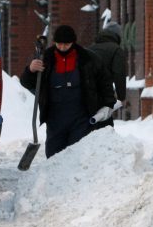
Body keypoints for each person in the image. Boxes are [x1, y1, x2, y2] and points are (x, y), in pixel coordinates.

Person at [21, 24, 116, 158]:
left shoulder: (87, 59)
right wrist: (30, 70)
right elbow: (27, 83)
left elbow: (104, 82)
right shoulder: (45, 59)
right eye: (59, 44)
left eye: (66, 45)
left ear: (73, 42)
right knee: (54, 156)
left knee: (78, 154)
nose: (62, 48)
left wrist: (108, 103)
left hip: (81, 117)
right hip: (55, 118)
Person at [87, 21, 126, 130]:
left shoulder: (90, 48)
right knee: (105, 122)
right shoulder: (116, 50)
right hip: (104, 92)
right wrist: (121, 96)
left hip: (87, 92)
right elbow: (119, 74)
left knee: (91, 122)